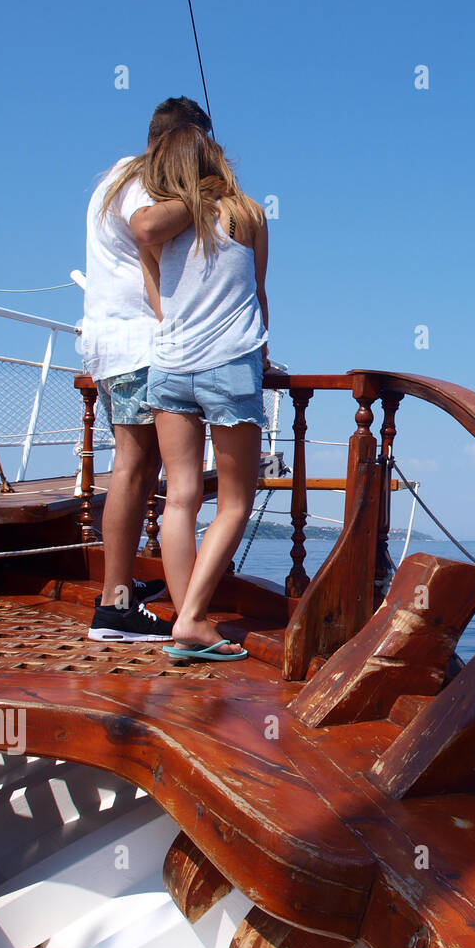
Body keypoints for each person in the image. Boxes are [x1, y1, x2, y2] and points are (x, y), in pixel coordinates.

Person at [79, 97, 210, 641]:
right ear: (182, 143)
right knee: (134, 466)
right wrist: (209, 195)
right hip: (136, 344)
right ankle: (114, 606)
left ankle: (123, 585)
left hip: (113, 343)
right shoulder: (141, 180)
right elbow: (148, 230)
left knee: (137, 466)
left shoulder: (116, 175)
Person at [138, 125, 270, 661]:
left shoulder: (158, 228)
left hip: (169, 365)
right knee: (236, 500)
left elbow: (159, 302)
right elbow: (258, 293)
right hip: (230, 364)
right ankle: (193, 619)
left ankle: (182, 616)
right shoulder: (248, 214)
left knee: (180, 498)